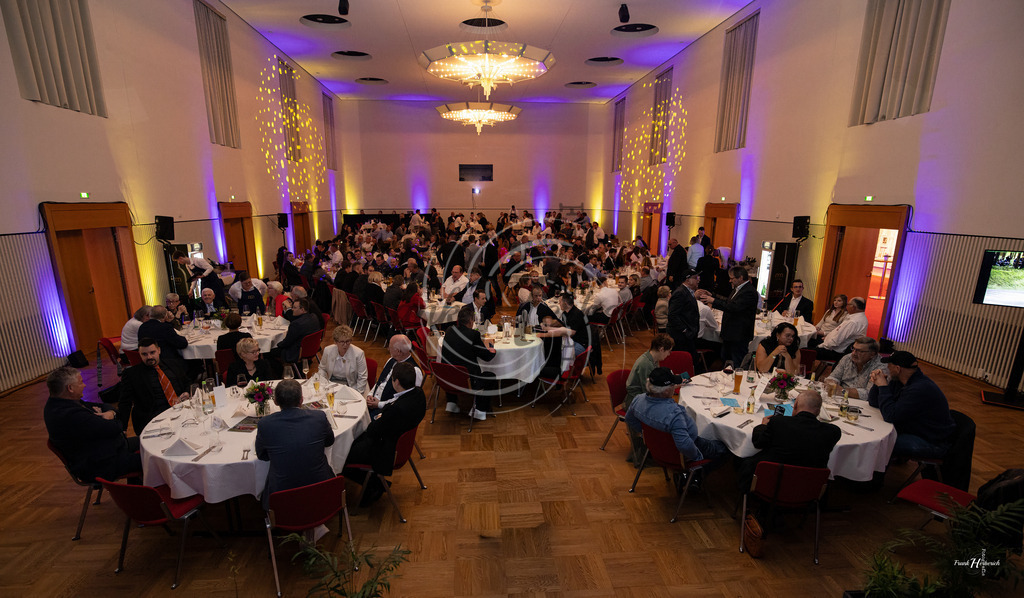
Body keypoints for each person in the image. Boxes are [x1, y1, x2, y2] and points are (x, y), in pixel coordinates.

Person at [343, 362, 426, 506]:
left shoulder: (397, 410)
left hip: (385, 450)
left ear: (397, 382)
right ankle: (376, 483)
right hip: (398, 443)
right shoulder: (418, 394)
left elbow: (373, 430)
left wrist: (379, 417)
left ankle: (374, 485)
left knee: (342, 454)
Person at [44, 366, 141, 483]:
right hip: (100, 464)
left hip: (103, 450)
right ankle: (141, 496)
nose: (84, 385)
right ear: (70, 388)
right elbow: (116, 427)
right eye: (81, 382)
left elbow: (104, 406)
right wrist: (112, 417)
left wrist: (110, 413)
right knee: (154, 459)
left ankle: (135, 488)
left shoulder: (60, 402)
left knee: (146, 441)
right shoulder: (71, 414)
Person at [737, 389, 841, 491]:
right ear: (818, 412)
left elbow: (758, 443)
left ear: (795, 405)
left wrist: (763, 426)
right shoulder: (833, 432)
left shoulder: (778, 423)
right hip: (807, 489)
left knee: (741, 460)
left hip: (771, 484)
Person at [254, 379, 335, 509]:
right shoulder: (319, 417)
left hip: (282, 497)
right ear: (301, 400)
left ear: (275, 402)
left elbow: (262, 455)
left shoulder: (265, 424)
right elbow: (329, 441)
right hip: (322, 490)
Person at [625, 367, 728, 468]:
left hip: (657, 448)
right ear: (666, 391)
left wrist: (649, 434)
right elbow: (685, 446)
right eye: (673, 385)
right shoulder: (674, 415)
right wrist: (697, 456)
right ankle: (696, 477)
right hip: (683, 451)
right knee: (725, 447)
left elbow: (629, 419)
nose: (675, 386)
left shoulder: (638, 400)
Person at [868, 351, 956, 459]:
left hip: (931, 441)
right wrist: (877, 384)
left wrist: (882, 387)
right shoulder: (900, 381)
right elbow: (874, 403)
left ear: (897, 369)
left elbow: (890, 415)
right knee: (875, 434)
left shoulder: (920, 389)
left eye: (889, 367)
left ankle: (874, 474)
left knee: (881, 443)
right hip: (914, 430)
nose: (887, 369)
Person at [118, 338, 189, 434]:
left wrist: (187, 392)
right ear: (139, 354)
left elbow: (187, 383)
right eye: (144, 354)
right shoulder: (132, 374)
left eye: (152, 352)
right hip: (154, 419)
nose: (149, 357)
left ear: (159, 350)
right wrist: (122, 428)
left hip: (181, 411)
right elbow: (125, 402)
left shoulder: (173, 364)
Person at [441, 304, 497, 420]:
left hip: (447, 378)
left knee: (451, 365)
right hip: (467, 381)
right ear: (471, 321)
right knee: (491, 376)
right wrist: (492, 350)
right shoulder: (473, 335)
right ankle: (479, 410)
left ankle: (451, 403)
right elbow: (486, 357)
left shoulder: (449, 330)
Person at [697, 266, 758, 367]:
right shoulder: (739, 289)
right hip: (731, 334)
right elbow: (728, 301)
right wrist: (713, 295)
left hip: (739, 335)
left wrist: (713, 301)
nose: (730, 281)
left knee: (737, 363)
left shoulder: (749, 292)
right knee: (726, 360)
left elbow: (734, 307)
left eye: (732, 278)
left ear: (741, 278)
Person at [270, 298, 321, 373]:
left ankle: (278, 373)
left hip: (296, 352)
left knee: (269, 352)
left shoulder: (296, 324)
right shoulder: (313, 317)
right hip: (311, 348)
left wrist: (276, 345)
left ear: (302, 310)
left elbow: (286, 343)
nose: (292, 309)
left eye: (294, 307)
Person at [625, 334, 675, 410]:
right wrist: (671, 386)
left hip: (642, 397)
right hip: (636, 401)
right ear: (661, 349)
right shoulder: (646, 364)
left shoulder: (653, 359)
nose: (668, 354)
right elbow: (649, 391)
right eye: (668, 351)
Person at [809, 297, 868, 361]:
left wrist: (820, 346)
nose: (846, 306)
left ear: (853, 307)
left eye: (848, 304)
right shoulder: (860, 318)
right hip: (832, 344)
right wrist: (828, 337)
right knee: (810, 340)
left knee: (803, 350)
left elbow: (836, 341)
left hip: (834, 352)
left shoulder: (853, 322)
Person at [136, 305, 189, 373]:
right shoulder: (165, 328)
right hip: (167, 361)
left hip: (148, 360)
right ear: (165, 316)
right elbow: (183, 344)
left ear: (150, 315)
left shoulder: (142, 327)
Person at [319, 325, 369, 394]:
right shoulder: (328, 350)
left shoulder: (358, 353)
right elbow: (322, 368)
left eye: (348, 341)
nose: (345, 345)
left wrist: (357, 394)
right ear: (335, 342)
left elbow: (362, 377)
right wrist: (323, 384)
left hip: (351, 385)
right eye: (342, 342)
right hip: (332, 383)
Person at [667, 269, 701, 362]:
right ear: (688, 280)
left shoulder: (688, 291)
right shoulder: (680, 293)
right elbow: (672, 315)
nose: (698, 280)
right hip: (681, 336)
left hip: (687, 335)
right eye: (696, 278)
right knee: (683, 361)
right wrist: (685, 330)